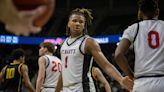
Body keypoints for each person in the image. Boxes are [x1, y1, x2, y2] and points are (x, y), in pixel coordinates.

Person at [55, 8, 133, 92]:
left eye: (81, 22)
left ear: (84, 25)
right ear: (68, 24)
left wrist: (120, 79)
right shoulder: (63, 44)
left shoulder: (88, 42)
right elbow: (64, 71)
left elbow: (105, 65)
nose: (77, 23)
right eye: (74, 21)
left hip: (83, 88)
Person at [114, 0, 164, 92]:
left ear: (140, 13)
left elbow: (118, 55)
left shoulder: (133, 28)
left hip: (142, 83)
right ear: (157, 12)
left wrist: (131, 76)